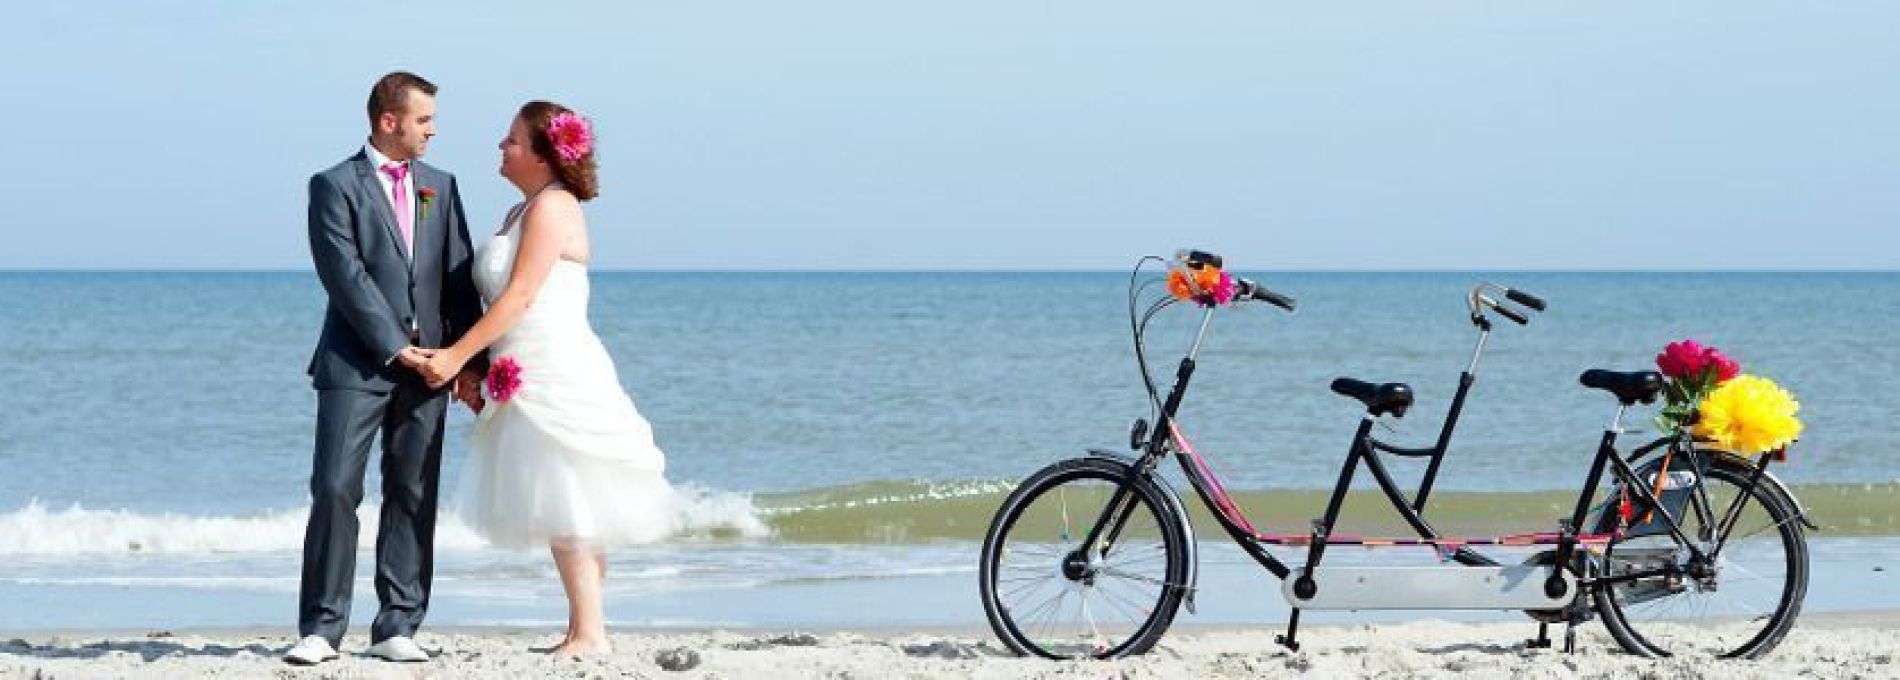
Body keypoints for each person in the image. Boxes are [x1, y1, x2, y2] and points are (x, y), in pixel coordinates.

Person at [417, 101, 678, 656]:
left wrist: (456, 356)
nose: (501, 146)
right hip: (522, 364)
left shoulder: (554, 206)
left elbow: (521, 295)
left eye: (512, 139)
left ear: (542, 153)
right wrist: (477, 370)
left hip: (556, 365)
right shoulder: (521, 211)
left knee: (568, 495)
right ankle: (584, 625)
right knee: (563, 494)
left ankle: (590, 633)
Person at [286, 71, 485, 666]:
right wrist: (397, 347)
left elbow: (458, 275)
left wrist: (466, 361)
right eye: (424, 120)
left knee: (413, 492)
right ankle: (322, 628)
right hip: (356, 362)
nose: (432, 131)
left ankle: (398, 624)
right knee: (334, 488)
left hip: (432, 369)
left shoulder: (441, 186)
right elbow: (344, 275)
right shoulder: (332, 185)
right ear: (388, 120)